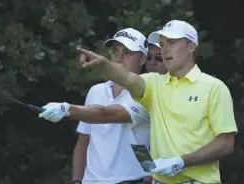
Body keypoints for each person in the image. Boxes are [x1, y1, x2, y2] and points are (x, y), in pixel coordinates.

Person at [73, 20, 238, 184]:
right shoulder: (154, 83)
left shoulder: (214, 88)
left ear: (191, 47)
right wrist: (103, 64)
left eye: (171, 42)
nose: (165, 49)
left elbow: (225, 144)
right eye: (162, 44)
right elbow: (127, 78)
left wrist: (182, 161)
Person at [39, 28, 152, 184]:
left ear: (142, 59)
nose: (119, 58)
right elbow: (85, 140)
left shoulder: (148, 91)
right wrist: (77, 180)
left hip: (133, 180)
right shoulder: (96, 91)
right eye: (115, 51)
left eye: (127, 52)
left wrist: (67, 109)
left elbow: (106, 114)